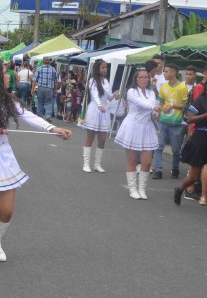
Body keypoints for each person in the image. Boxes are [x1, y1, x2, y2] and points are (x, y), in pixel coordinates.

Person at [0, 60, 70, 271]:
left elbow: (28, 116)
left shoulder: (7, 100)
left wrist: (53, 129)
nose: (10, 77)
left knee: (7, 211)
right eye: (6, 74)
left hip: (4, 157)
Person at [173, 77, 207, 218]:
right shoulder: (200, 101)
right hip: (199, 138)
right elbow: (190, 119)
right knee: (194, 176)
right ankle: (179, 189)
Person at [114, 68, 160, 200]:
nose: (144, 79)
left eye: (146, 77)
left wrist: (155, 113)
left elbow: (151, 108)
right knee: (132, 160)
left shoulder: (152, 93)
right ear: (136, 79)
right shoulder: (131, 91)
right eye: (141, 77)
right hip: (133, 126)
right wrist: (153, 107)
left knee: (146, 162)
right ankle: (133, 188)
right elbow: (141, 104)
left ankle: (142, 189)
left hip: (147, 128)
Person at [78, 59, 118, 173]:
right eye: (103, 67)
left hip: (104, 110)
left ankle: (97, 164)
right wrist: (100, 105)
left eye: (106, 67)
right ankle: (86, 163)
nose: (105, 69)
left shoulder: (106, 81)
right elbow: (95, 95)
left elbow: (109, 97)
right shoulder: (92, 81)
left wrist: (115, 95)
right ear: (97, 68)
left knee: (102, 139)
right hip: (95, 110)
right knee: (90, 137)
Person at [152, 65, 187, 180]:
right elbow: (161, 102)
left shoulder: (182, 87)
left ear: (173, 72)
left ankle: (175, 168)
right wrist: (158, 111)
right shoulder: (163, 87)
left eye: (166, 71)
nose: (164, 73)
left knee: (175, 149)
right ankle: (158, 170)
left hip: (176, 123)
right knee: (159, 146)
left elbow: (184, 105)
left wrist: (172, 105)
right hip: (162, 121)